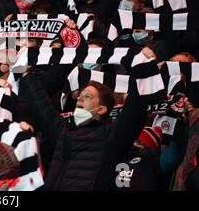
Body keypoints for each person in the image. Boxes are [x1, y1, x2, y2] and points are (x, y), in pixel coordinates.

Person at [21, 47, 157, 190]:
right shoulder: (65, 132)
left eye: (87, 96)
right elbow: (42, 106)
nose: (79, 98)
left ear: (102, 109)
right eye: (80, 95)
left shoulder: (111, 136)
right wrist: (25, 73)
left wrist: (143, 68)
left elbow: (135, 108)